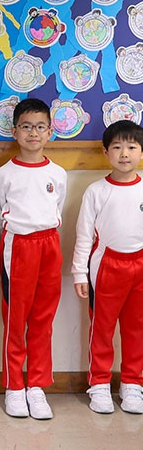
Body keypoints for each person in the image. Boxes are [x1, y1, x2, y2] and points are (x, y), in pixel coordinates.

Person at [0, 98, 66, 420]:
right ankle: (14, 386)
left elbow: (57, 208)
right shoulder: (5, 173)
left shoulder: (57, 173)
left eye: (39, 127)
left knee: (43, 318)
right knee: (15, 318)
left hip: (49, 244)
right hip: (18, 246)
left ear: (49, 131)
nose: (33, 133)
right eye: (26, 126)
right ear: (15, 131)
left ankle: (37, 385)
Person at [72, 120, 143, 414]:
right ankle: (99, 383)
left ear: (141, 152)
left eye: (131, 147)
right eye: (117, 147)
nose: (124, 153)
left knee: (137, 329)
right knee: (102, 328)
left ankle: (132, 383)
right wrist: (80, 272)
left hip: (140, 265)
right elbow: (84, 235)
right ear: (106, 152)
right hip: (106, 266)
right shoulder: (96, 191)